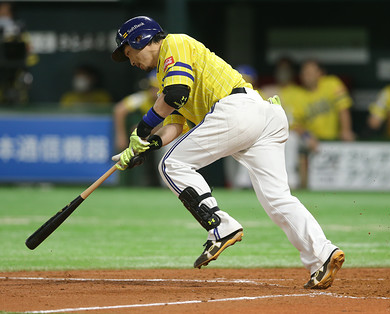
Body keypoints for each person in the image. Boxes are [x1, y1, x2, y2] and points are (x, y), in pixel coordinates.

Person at [111, 16, 344, 289]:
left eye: (129, 52)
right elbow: (174, 124)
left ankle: (220, 225)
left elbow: (175, 94)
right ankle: (323, 255)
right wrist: (147, 145)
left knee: (171, 164)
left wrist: (140, 131)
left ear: (141, 39)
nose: (131, 61)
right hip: (261, 117)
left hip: (238, 111)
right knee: (277, 200)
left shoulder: (175, 43)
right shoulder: (167, 76)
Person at [293, 60, 355, 188]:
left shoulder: (332, 83)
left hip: (334, 140)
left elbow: (343, 108)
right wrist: (307, 137)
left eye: (310, 72)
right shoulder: (297, 95)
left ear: (320, 73)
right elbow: (294, 125)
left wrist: (346, 130)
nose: (306, 75)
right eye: (304, 73)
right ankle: (298, 185)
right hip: (313, 142)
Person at [260, 57, 304, 189]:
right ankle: (245, 182)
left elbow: (304, 121)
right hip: (268, 132)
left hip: (294, 133)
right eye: (281, 69)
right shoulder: (266, 90)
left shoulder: (299, 93)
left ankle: (291, 180)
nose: (283, 72)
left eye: (286, 69)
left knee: (291, 139)